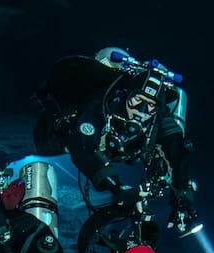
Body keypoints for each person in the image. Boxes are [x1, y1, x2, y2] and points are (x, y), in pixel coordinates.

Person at [33, 46, 199, 231]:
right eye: (137, 100)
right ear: (126, 95)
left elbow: (177, 153)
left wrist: (183, 198)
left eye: (150, 105)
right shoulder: (101, 104)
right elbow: (81, 148)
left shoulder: (158, 122)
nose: (141, 111)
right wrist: (118, 188)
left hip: (113, 152)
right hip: (56, 141)